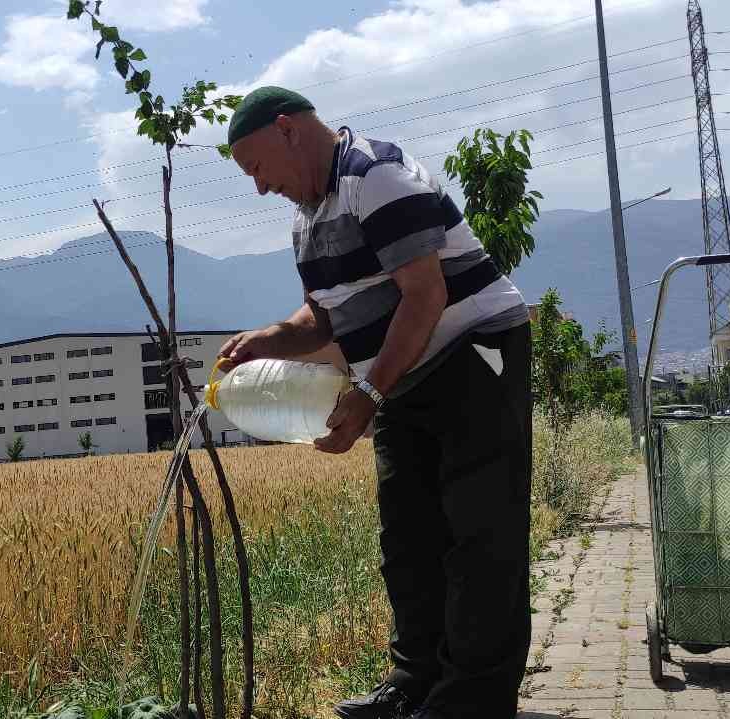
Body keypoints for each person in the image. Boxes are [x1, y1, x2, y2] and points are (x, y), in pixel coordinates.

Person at [216, 87, 534, 719]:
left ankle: (471, 702)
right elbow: (327, 316)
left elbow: (425, 296)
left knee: (480, 535)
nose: (258, 187)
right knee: (409, 539)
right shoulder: (309, 216)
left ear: (287, 131)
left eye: (256, 169)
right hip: (404, 377)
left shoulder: (376, 176)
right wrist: (272, 339)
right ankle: (415, 683)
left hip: (474, 357)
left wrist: (366, 394)